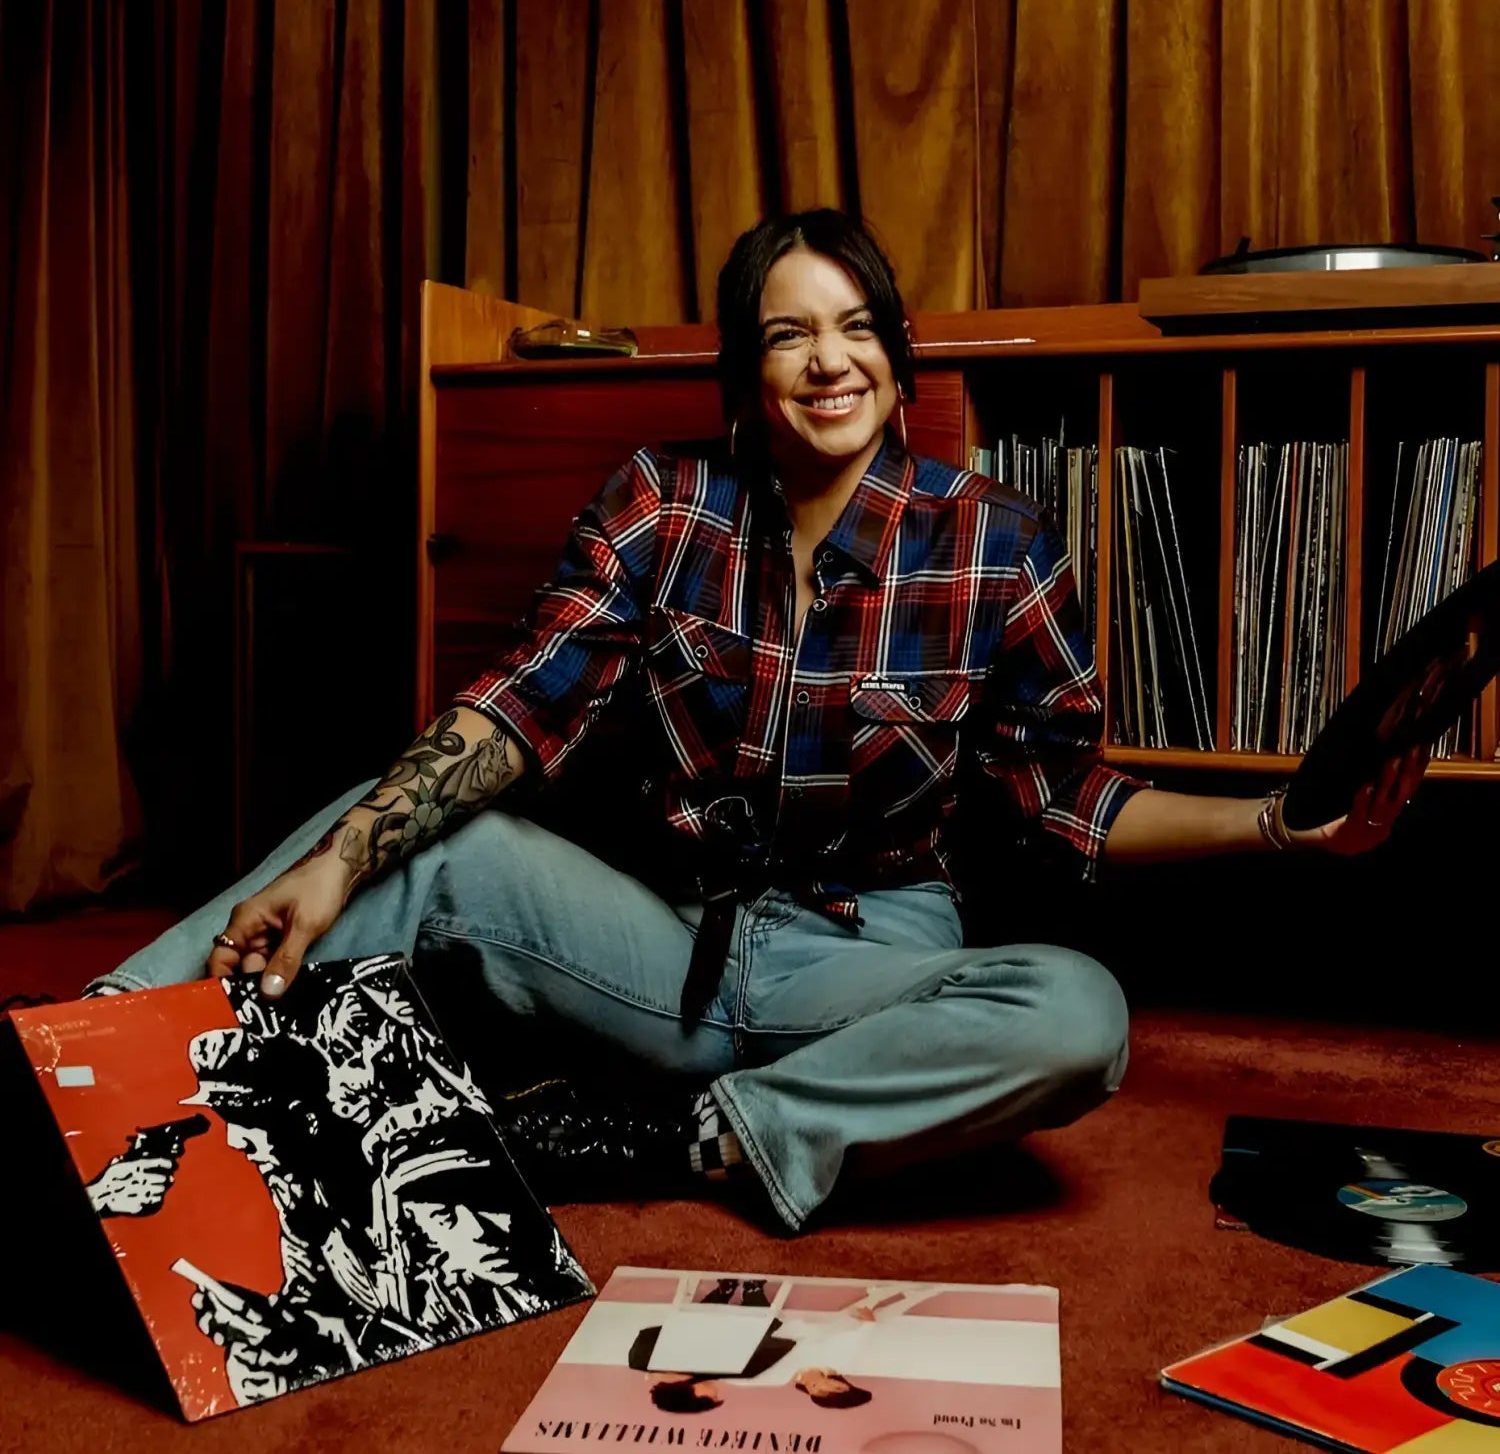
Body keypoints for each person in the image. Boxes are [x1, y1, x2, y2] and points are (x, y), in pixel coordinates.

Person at [86, 208, 1426, 1236]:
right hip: (660, 945)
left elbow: (1066, 802)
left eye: (856, 328)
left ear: (899, 362)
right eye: (791, 334)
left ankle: (686, 1142)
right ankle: (87, 1052)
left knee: (1076, 1012)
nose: (829, 360)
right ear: (747, 372)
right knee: (420, 845)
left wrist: (1282, 826)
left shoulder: (997, 543)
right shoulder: (665, 501)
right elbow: (517, 709)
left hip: (865, 969)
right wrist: (344, 857)